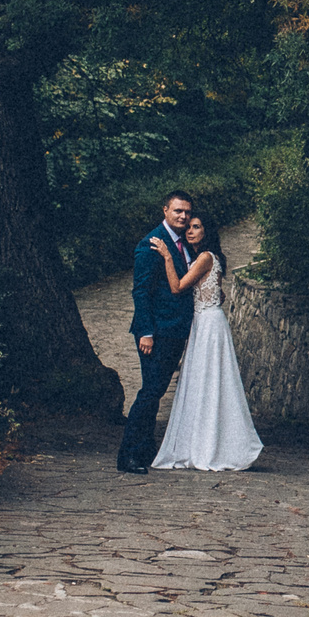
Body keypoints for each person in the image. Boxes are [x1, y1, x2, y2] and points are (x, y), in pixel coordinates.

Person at [148, 211, 263, 472]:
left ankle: (212, 445)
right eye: (188, 227)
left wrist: (167, 255)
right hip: (205, 322)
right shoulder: (204, 257)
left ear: (206, 231)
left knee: (211, 381)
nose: (190, 231)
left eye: (196, 227)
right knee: (202, 382)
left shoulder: (205, 257)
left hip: (209, 325)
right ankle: (203, 441)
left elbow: (178, 287)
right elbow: (216, 292)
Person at [116, 191, 196, 473]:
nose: (183, 216)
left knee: (157, 391)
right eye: (177, 211)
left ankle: (147, 447)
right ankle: (128, 455)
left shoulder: (184, 244)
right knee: (150, 392)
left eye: (187, 212)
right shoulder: (150, 245)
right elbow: (141, 291)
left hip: (175, 330)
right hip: (156, 332)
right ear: (165, 210)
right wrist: (146, 332)